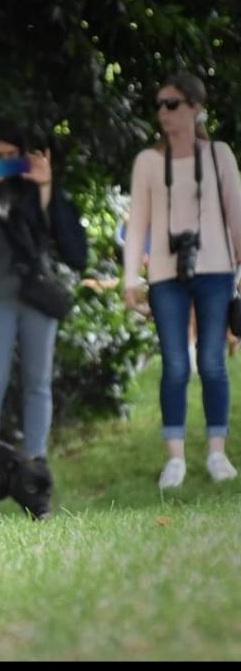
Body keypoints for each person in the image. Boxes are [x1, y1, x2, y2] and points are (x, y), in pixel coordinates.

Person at [123, 71, 241, 489]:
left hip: (215, 268)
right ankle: (174, 458)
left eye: (172, 104)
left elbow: (236, 214)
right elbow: (137, 222)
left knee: (212, 362)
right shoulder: (148, 162)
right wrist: (129, 277)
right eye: (159, 105)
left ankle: (216, 453)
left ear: (195, 107)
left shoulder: (219, 155)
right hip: (164, 274)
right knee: (174, 364)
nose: (163, 113)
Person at [0, 120, 65, 461]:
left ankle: (36, 459)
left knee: (38, 382)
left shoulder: (34, 189)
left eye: (13, 155)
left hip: (36, 293)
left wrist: (45, 185)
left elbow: (56, 234)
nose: (6, 163)